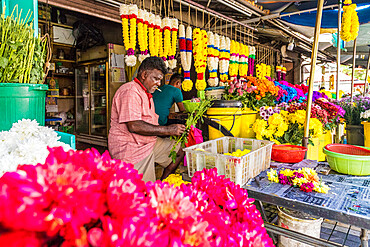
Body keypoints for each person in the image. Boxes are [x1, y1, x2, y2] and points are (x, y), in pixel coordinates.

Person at [108, 57, 186, 182]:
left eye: (160, 80)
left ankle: (161, 183)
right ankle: (151, 189)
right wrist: (168, 130)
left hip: (149, 142)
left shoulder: (146, 93)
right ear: (144, 75)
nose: (159, 84)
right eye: (156, 79)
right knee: (142, 190)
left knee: (179, 149)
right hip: (132, 148)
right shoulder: (130, 91)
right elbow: (134, 125)